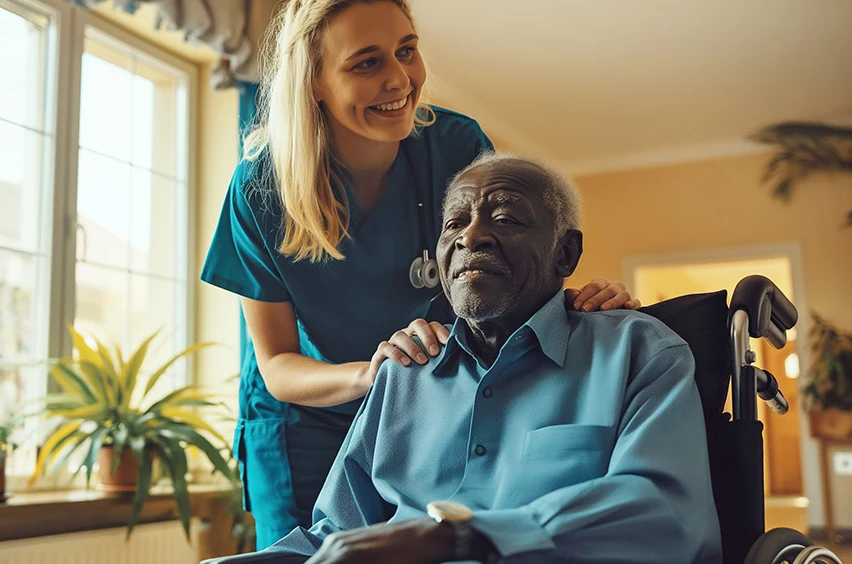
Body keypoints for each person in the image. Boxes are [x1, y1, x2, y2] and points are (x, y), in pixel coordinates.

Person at [200, 0, 641, 547]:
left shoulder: (456, 148)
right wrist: (373, 374)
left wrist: (578, 303)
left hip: (423, 402)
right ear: (313, 81)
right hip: (304, 421)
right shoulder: (261, 189)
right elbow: (277, 367)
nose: (400, 79)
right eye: (367, 62)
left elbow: (506, 277)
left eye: (406, 50)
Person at [203, 153, 722, 564]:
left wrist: (456, 538)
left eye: (506, 218)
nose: (471, 236)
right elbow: (336, 534)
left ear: (565, 253)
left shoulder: (637, 351)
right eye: (454, 223)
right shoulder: (405, 373)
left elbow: (666, 512)